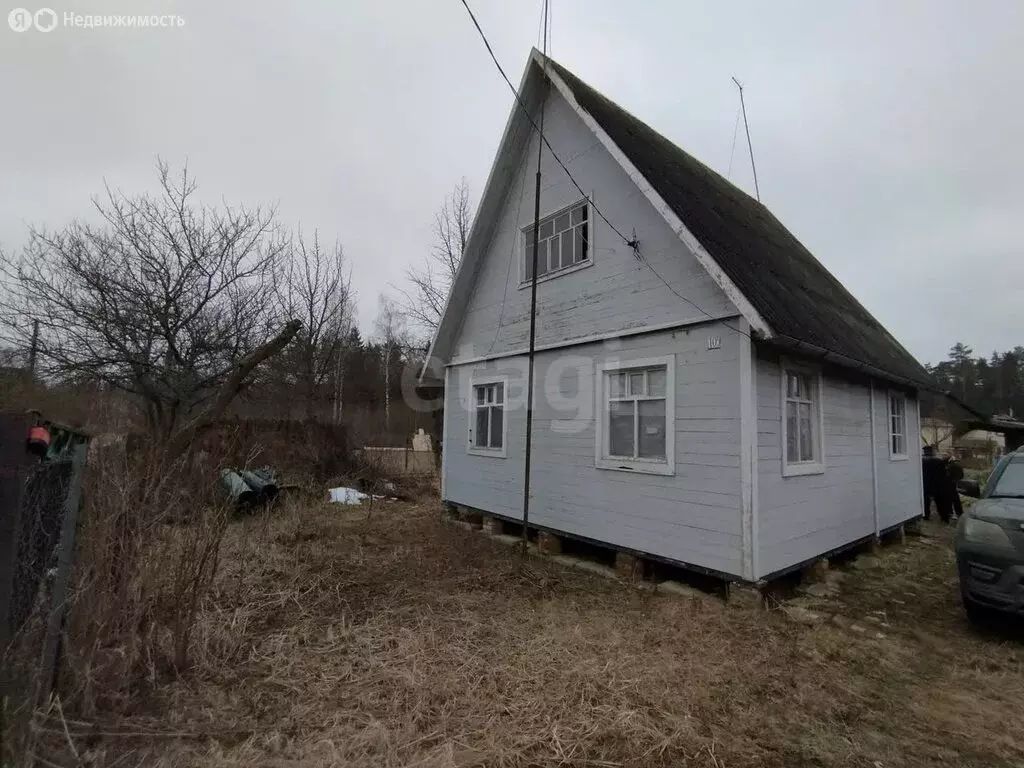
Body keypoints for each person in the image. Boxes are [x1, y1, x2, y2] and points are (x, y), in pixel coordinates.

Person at [922, 445, 953, 522]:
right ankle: (944, 517)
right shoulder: (939, 461)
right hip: (938, 485)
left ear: (925, 451)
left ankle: (926, 515)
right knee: (940, 502)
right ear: (932, 451)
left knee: (926, 501)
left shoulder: (921, 461)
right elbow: (944, 473)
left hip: (926, 484)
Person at [946, 454, 965, 520]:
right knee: (956, 498)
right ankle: (959, 512)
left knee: (949, 499)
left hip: (950, 484)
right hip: (955, 483)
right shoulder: (958, 464)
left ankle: (950, 512)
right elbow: (962, 475)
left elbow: (947, 475)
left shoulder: (951, 466)